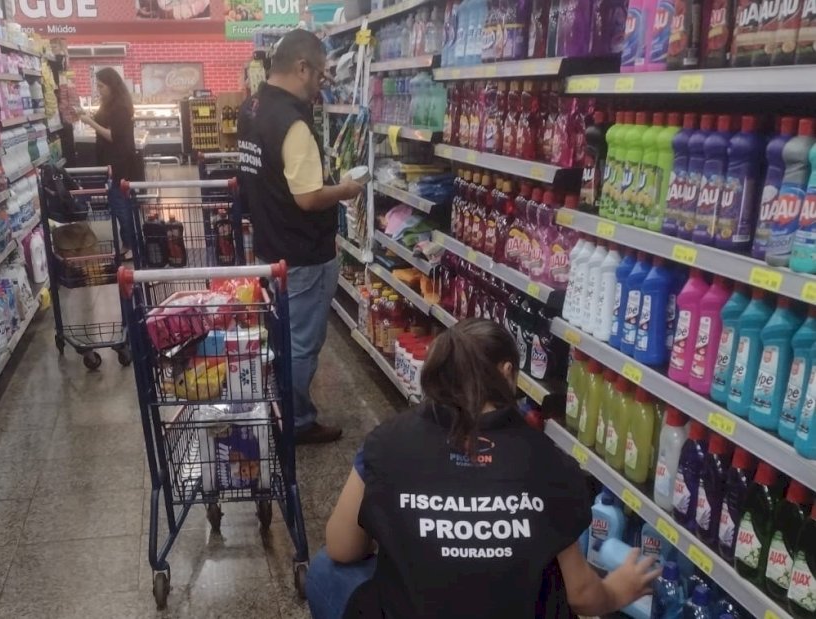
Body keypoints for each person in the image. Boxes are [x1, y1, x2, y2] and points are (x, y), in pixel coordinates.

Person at [306, 319, 660, 618]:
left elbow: (341, 547)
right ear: (507, 373)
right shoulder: (550, 462)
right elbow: (581, 595)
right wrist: (618, 590)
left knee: (325, 568)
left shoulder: (386, 442)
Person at [237, 30, 364, 445]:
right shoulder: (292, 121)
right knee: (301, 345)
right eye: (321, 75)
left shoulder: (252, 108)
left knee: (280, 336)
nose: (320, 85)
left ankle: (279, 406)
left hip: (269, 246)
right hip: (302, 255)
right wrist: (345, 189)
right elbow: (308, 197)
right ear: (302, 67)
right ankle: (297, 421)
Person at [78, 68, 141, 257]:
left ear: (112, 85)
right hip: (112, 161)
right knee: (120, 203)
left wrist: (89, 122)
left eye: (101, 86)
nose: (99, 90)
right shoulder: (110, 104)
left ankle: (131, 245)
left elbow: (113, 136)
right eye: (97, 86)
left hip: (120, 163)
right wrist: (86, 115)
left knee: (120, 204)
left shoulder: (119, 107)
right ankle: (129, 243)